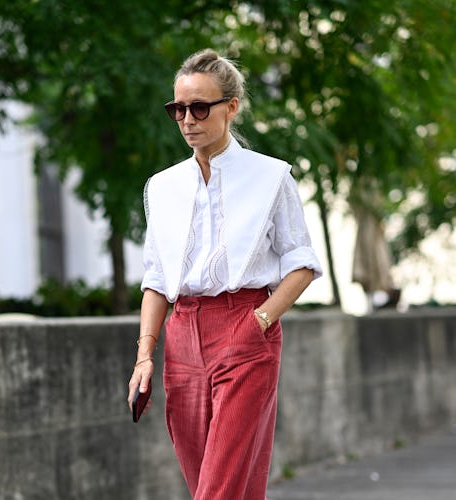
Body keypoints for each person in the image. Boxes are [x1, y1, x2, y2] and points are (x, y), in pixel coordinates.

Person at [127, 48, 322, 500]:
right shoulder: (163, 187)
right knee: (219, 485)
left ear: (230, 107)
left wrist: (259, 321)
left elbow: (302, 262)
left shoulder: (272, 177)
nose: (187, 119)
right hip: (181, 338)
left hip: (246, 328)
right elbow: (156, 279)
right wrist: (144, 356)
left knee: (219, 488)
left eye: (199, 107)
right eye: (178, 109)